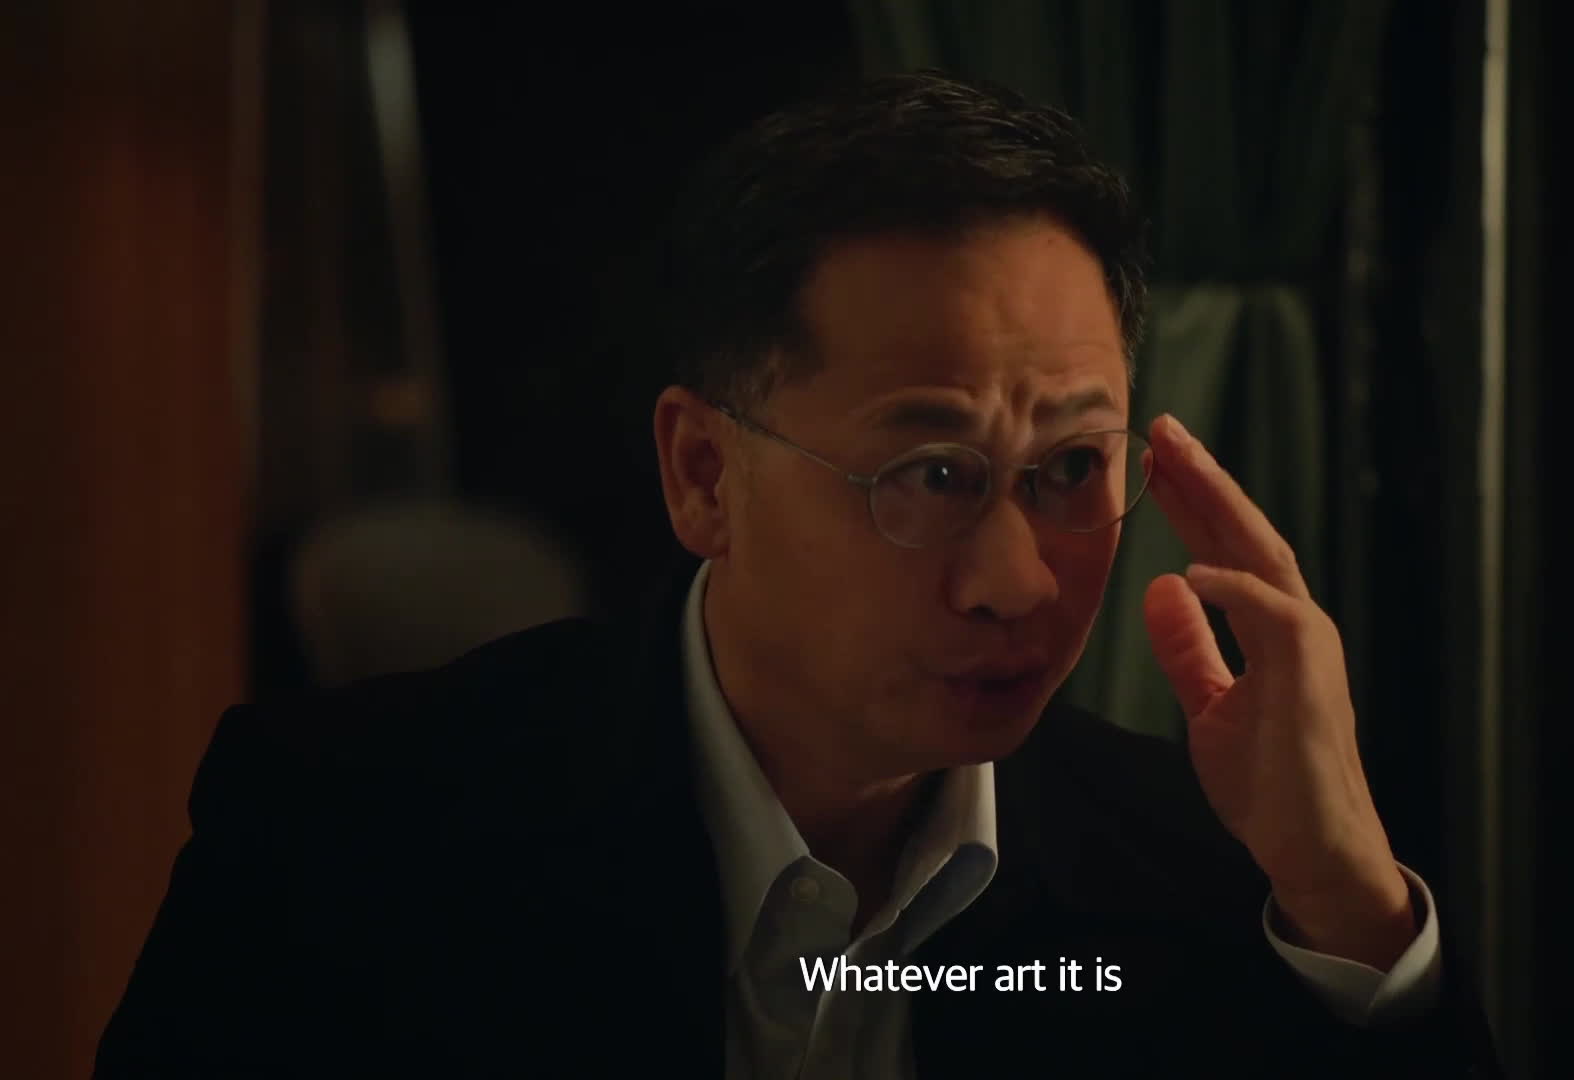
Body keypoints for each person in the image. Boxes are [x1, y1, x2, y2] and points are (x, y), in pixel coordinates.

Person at [96, 72, 1499, 1078]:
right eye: (933, 475)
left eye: (1072, 468)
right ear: (704, 475)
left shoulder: (1206, 877)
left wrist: (1349, 902)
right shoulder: (350, 842)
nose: (1017, 582)